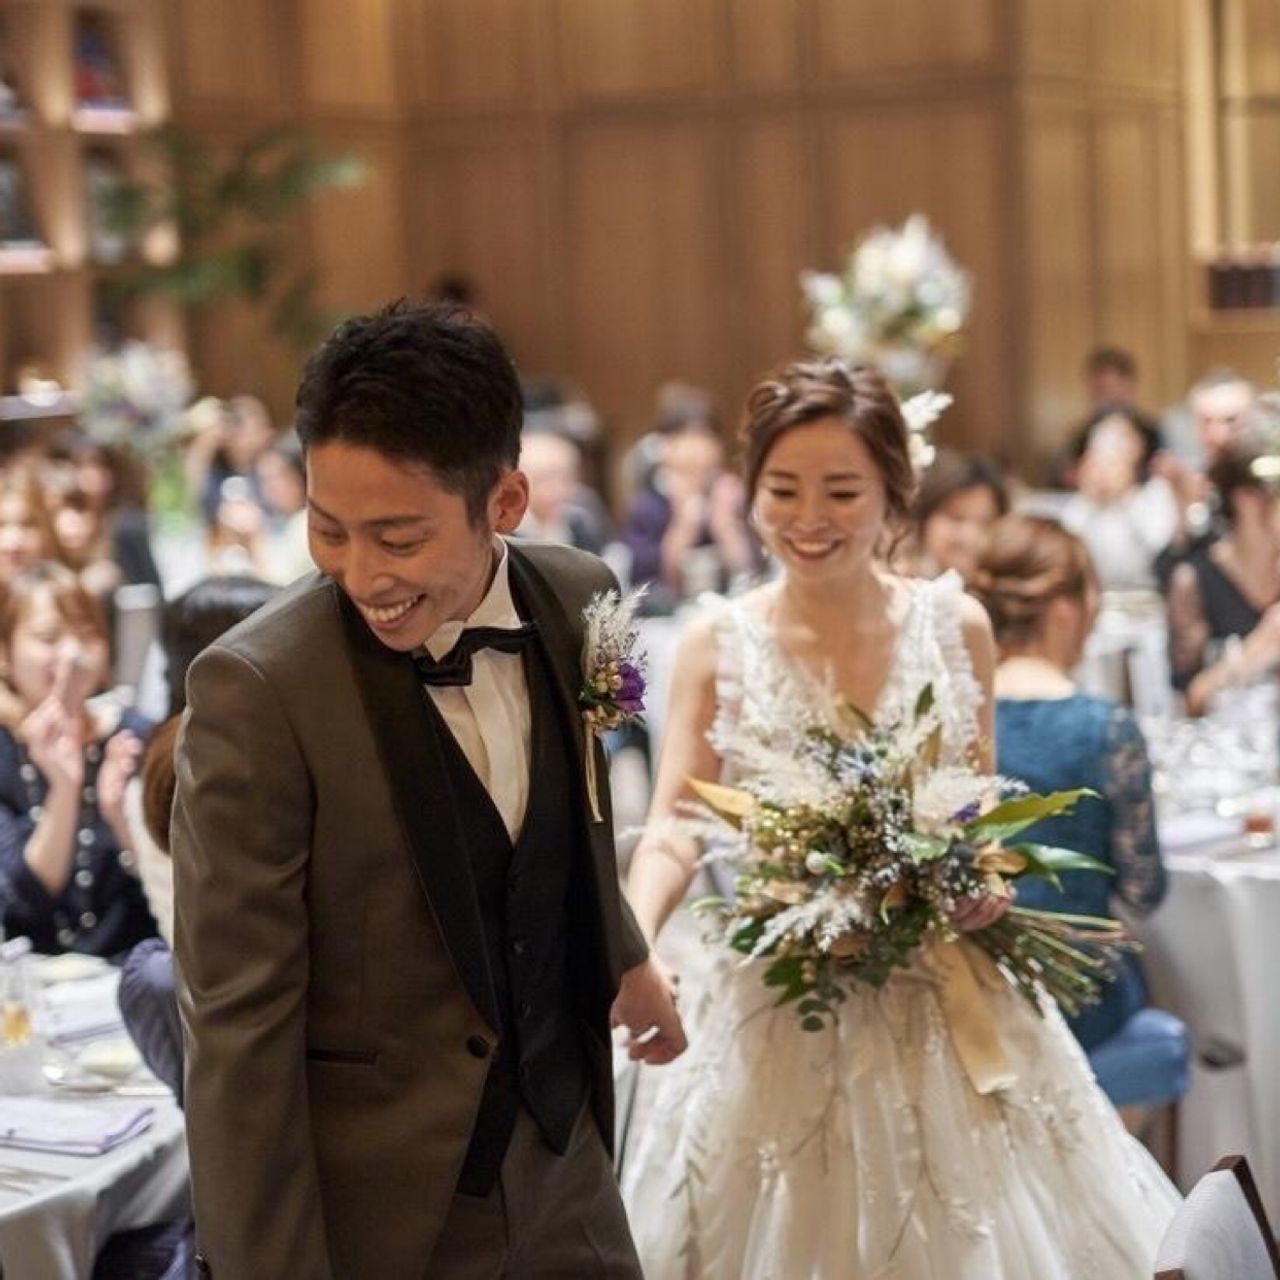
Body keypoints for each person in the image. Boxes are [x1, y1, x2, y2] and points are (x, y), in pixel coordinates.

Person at [621, 358, 1178, 1278]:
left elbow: (977, 815)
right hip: (783, 996)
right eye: (783, 489)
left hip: (945, 995)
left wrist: (982, 882)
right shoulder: (717, 642)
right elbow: (675, 823)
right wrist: (636, 941)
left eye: (842, 491)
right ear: (749, 491)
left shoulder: (957, 626)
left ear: (893, 495)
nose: (809, 517)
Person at [172, 300, 682, 1279]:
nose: (361, 574)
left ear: (505, 502)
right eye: (328, 529)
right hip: (383, 1212)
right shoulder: (258, 688)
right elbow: (238, 1035)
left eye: (398, 538)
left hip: (565, 1160)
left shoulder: (579, 596)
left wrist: (623, 950)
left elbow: (573, 816)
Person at [972, 515, 1167, 1055]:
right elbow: (1144, 890)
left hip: (975, 984)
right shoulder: (1103, 728)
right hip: (1075, 992)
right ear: (1065, 608)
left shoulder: (961, 715)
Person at [0, 561, 155, 956]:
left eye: (86, 634)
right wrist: (65, 788)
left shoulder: (135, 736)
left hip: (130, 969)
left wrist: (121, 819)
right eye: (48, 637)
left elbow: (176, 892)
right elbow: (22, 902)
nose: (72, 653)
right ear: (5, 653)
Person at [1167, 440, 1280, 714]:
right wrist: (1255, 651)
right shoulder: (1194, 580)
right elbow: (1188, 702)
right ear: (1246, 500)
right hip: (1232, 734)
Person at [1062, 406, 1177, 592]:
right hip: (1097, 599)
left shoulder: (1155, 493)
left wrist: (1124, 497)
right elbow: (1069, 553)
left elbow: (1161, 554)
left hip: (1146, 601)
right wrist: (1091, 500)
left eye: (1119, 441)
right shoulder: (1082, 504)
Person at [910, 447, 1009, 583]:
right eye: (956, 519)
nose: (970, 536)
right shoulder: (897, 587)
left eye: (986, 523)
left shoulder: (1007, 589)